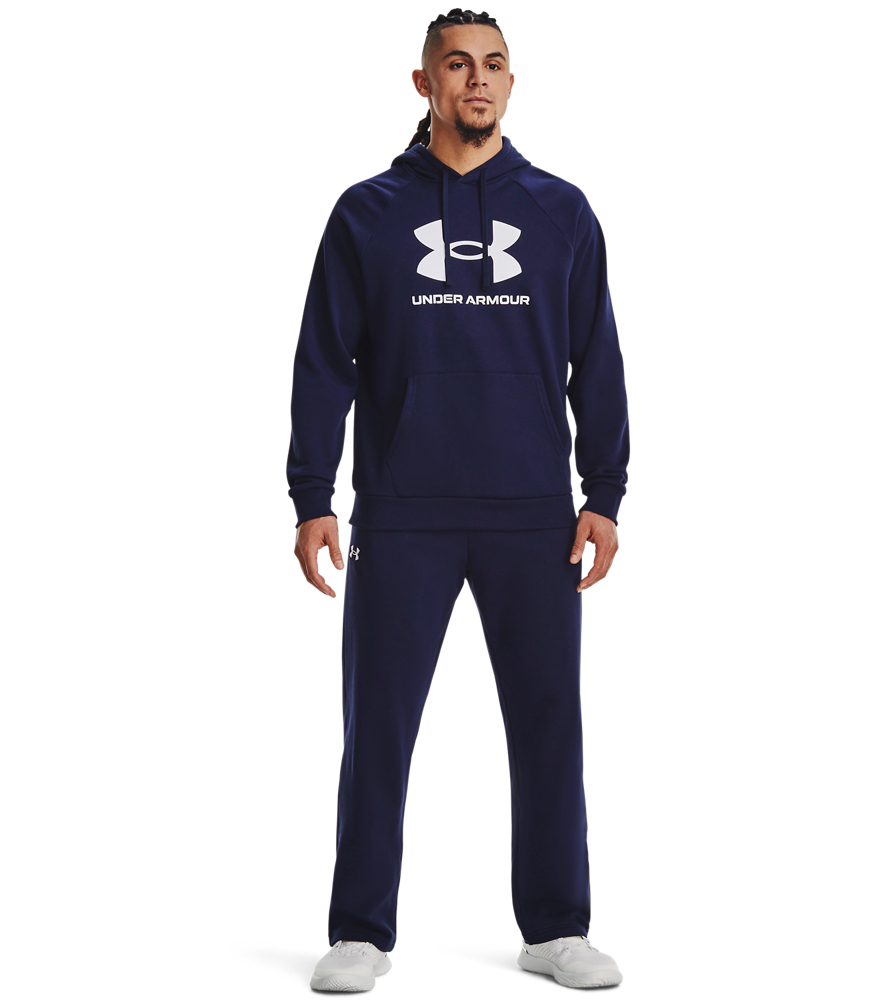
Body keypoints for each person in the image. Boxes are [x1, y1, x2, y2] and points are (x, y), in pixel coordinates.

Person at [288, 8, 629, 991]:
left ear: (511, 84)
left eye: (492, 65)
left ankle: (555, 927)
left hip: (534, 512)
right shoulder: (367, 214)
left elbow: (597, 358)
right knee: (378, 728)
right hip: (405, 511)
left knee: (548, 724)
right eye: (456, 65)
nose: (476, 79)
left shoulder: (562, 212)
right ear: (424, 83)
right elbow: (324, 361)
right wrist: (312, 494)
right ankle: (361, 930)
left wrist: (604, 491)